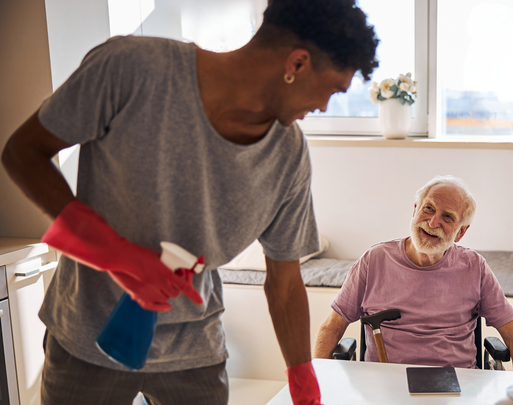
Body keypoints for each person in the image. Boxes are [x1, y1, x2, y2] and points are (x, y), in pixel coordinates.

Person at [1, 0, 378, 403]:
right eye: (332, 90)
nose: (323, 107)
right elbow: (23, 153)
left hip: (194, 352)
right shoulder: (132, 68)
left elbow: (284, 283)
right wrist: (117, 254)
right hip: (86, 338)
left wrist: (302, 373)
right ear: (298, 64)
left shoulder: (287, 155)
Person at [314, 175, 513, 368]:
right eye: (428, 208)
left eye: (447, 217)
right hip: (385, 386)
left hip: (458, 386)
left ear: (461, 232)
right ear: (415, 209)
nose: (433, 222)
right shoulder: (374, 261)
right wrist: (315, 385)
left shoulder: (474, 267)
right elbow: (332, 327)